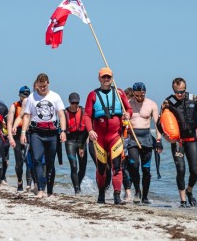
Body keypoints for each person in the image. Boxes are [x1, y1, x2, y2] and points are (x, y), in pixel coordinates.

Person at [161, 77, 197, 207]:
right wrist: (164, 136)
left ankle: (189, 191)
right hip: (177, 142)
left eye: (182, 91)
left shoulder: (194, 99)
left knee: (195, 171)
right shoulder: (168, 102)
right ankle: (183, 200)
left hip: (192, 140)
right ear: (173, 89)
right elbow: (160, 122)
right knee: (181, 170)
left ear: (185, 89)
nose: (180, 94)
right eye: (177, 92)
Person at [84, 67, 133, 204]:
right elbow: (87, 115)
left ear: (112, 78)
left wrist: (128, 114)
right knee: (101, 168)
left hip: (115, 137)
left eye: (109, 77)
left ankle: (117, 195)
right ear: (99, 78)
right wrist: (90, 130)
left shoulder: (119, 92)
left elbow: (128, 109)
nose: (106, 79)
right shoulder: (92, 95)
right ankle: (101, 194)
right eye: (104, 77)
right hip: (99, 138)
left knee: (117, 166)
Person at [20, 73, 66, 198]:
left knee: (50, 163)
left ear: (48, 84)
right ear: (37, 85)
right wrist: (23, 132)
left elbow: (61, 114)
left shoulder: (55, 96)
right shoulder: (31, 97)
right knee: (37, 159)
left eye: (44, 86)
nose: (42, 89)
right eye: (40, 86)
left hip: (52, 133)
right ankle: (40, 188)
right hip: (36, 132)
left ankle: (49, 190)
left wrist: (63, 131)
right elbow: (27, 116)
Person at [127, 82, 161, 204]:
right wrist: (124, 118)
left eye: (142, 95)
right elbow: (121, 122)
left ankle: (145, 196)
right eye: (137, 95)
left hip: (146, 138)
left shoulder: (152, 104)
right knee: (134, 166)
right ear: (134, 93)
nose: (140, 98)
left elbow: (158, 124)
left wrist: (158, 140)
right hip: (133, 138)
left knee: (146, 169)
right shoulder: (128, 104)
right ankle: (137, 191)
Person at [7, 86, 33, 191]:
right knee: (19, 161)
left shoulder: (32, 104)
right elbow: (9, 123)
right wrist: (10, 138)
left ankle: (29, 183)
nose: (24, 98)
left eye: (27, 95)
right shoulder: (14, 106)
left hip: (28, 133)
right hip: (16, 134)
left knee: (28, 159)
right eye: (23, 96)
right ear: (20, 95)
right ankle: (19, 182)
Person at [64, 92, 89, 194]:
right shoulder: (64, 113)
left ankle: (77, 183)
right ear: (69, 102)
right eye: (73, 103)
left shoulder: (84, 112)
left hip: (82, 141)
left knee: (82, 169)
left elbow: (87, 130)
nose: (74, 105)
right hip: (70, 141)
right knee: (74, 166)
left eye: (77, 103)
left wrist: (82, 146)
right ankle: (77, 190)